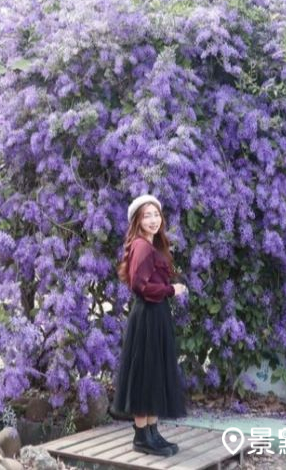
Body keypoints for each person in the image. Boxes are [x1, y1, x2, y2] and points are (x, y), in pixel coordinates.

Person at [111, 194, 188, 457]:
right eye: (147, 215)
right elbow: (139, 286)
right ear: (138, 220)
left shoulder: (152, 244)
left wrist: (167, 292)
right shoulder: (142, 246)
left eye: (156, 214)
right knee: (146, 373)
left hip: (156, 314)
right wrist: (170, 290)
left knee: (154, 372)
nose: (154, 220)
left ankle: (152, 432)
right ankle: (142, 436)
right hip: (147, 315)